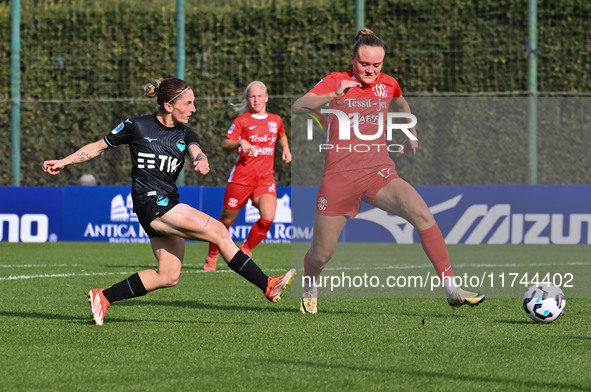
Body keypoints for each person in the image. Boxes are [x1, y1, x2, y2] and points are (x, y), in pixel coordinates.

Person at [42, 78, 295, 325]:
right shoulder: (137, 126)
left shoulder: (185, 133)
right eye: (188, 103)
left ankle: (104, 296)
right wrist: (64, 161)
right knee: (219, 231)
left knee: (168, 275)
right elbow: (99, 146)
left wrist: (200, 158)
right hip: (152, 204)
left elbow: (196, 149)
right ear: (168, 105)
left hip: (166, 204)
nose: (193, 109)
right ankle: (268, 285)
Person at [292, 29, 484, 314]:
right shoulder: (336, 80)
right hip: (339, 178)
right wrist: (332, 95)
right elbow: (299, 106)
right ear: (352, 59)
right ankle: (310, 284)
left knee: (422, 214)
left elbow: (400, 102)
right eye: (364, 64)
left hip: (378, 172)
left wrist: (411, 129)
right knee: (321, 254)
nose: (370, 70)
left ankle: (452, 288)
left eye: (376, 65)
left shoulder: (388, 84)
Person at [203, 81, 291, 271]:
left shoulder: (275, 120)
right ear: (247, 99)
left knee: (268, 217)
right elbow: (226, 144)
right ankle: (212, 253)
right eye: (252, 96)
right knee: (225, 222)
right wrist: (240, 142)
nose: (256, 100)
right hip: (241, 179)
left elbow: (281, 134)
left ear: (266, 97)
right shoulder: (241, 121)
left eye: (259, 96)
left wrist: (285, 148)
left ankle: (246, 249)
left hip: (265, 180)